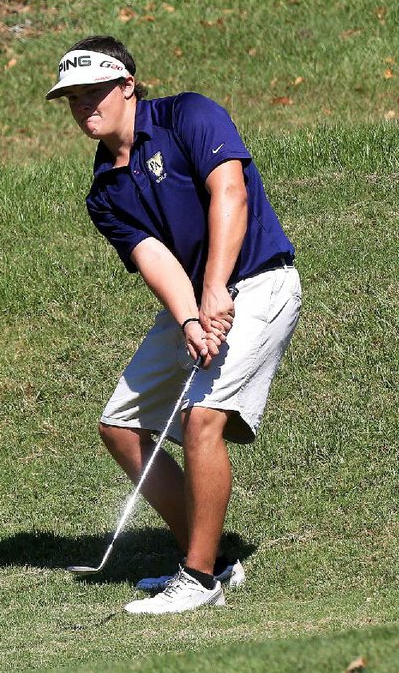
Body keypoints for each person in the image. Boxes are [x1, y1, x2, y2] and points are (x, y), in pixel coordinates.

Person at [46, 35, 301, 614]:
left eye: (94, 92)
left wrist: (215, 289)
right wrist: (190, 314)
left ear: (127, 85)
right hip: (194, 296)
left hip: (260, 280)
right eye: (72, 98)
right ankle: (212, 557)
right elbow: (153, 257)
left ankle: (198, 576)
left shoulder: (189, 114)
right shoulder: (103, 191)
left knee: (202, 418)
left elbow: (229, 193)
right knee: (121, 425)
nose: (85, 106)